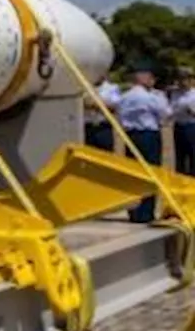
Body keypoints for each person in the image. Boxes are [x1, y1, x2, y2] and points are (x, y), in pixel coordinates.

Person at [117, 62, 171, 223]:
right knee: (151, 173)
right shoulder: (150, 97)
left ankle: (134, 211)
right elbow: (165, 113)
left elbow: (120, 115)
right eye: (151, 77)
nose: (153, 81)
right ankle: (146, 212)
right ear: (143, 77)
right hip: (148, 135)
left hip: (131, 136)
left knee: (134, 174)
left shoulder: (125, 96)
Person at [84, 74, 122, 152]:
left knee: (106, 153)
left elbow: (115, 105)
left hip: (103, 127)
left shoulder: (112, 88)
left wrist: (94, 104)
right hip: (88, 127)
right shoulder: (83, 87)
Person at [173, 69, 195, 176]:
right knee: (179, 156)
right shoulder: (175, 93)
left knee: (193, 155)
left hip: (192, 126)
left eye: (185, 79)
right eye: (180, 79)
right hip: (178, 126)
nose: (182, 82)